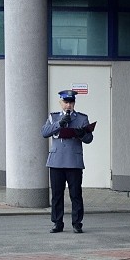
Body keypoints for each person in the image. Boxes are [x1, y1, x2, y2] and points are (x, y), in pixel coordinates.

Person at [41, 89, 94, 233]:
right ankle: (57, 223)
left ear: (74, 103)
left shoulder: (82, 118)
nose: (68, 105)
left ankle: (77, 223)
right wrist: (60, 123)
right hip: (56, 161)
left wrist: (83, 134)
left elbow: (89, 139)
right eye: (65, 102)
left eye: (71, 102)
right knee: (57, 194)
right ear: (60, 103)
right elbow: (44, 133)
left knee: (75, 193)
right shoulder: (53, 117)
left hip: (73, 161)